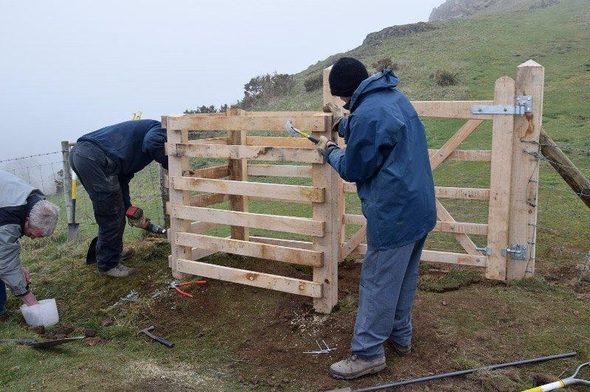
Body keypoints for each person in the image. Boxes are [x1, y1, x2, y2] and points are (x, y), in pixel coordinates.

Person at [318, 57, 437, 380]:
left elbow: (355, 169)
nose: (342, 103)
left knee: (378, 281)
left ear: (344, 93)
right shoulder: (392, 97)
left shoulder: (368, 113)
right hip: (419, 206)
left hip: (394, 212)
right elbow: (376, 133)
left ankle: (368, 353)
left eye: (341, 98)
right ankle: (401, 336)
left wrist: (329, 150)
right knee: (403, 276)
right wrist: (347, 125)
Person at [69, 119, 168, 278]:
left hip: (85, 154)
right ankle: (108, 264)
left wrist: (127, 207)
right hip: (94, 157)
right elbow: (152, 143)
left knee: (116, 208)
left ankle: (112, 252)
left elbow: (122, 181)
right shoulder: (161, 129)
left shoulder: (128, 152)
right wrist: (170, 164)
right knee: (111, 213)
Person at [0, 170, 60, 319]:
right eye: (32, 234)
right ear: (27, 219)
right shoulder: (9, 215)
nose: (32, 238)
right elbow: (5, 260)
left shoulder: (34, 200)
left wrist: (17, 268)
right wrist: (31, 302)